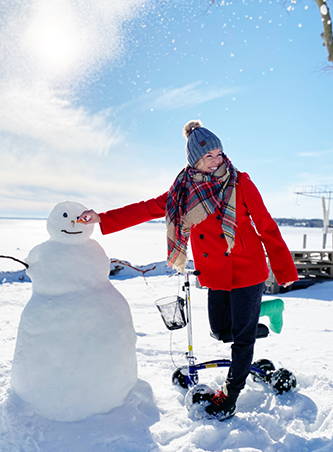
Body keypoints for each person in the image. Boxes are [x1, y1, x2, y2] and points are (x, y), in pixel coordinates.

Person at [78, 120, 298, 420]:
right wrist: (101, 219)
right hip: (217, 272)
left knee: (242, 339)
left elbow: (267, 227)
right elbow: (146, 208)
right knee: (221, 331)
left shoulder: (240, 182)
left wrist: (284, 271)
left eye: (220, 153)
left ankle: (230, 395)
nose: (218, 160)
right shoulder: (183, 191)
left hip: (248, 269)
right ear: (195, 159)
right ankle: (267, 308)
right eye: (210, 156)